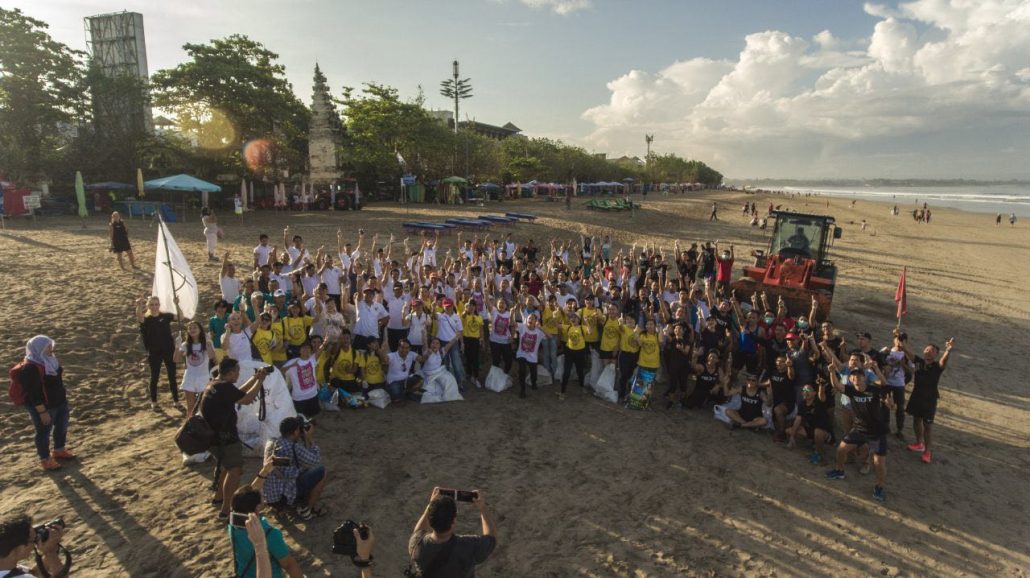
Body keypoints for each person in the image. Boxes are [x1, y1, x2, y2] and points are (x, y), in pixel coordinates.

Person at [203, 358, 268, 519]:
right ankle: (226, 511)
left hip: (214, 436)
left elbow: (237, 393)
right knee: (235, 471)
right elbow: (246, 399)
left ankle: (218, 498)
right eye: (237, 371)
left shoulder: (214, 384)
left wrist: (254, 378)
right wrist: (260, 381)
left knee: (226, 466)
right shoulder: (224, 388)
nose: (239, 374)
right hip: (226, 438)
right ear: (231, 372)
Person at [825, 356, 892, 502]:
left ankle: (879, 487)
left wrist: (875, 368)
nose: (856, 378)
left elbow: (884, 383)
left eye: (859, 376)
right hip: (859, 429)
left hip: (877, 432)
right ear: (850, 379)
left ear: (864, 378)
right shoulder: (850, 390)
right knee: (841, 449)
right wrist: (831, 372)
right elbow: (837, 386)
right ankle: (840, 471)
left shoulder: (873, 389)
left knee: (879, 463)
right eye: (853, 376)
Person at [228, 458, 304, 578]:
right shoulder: (269, 534)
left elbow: (247, 497)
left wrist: (265, 471)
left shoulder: (233, 524)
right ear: (258, 507)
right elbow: (289, 564)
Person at [408, 487, 497, 577]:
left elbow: (418, 532)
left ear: (430, 520)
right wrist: (483, 508)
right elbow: (491, 539)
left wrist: (430, 506)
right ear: (454, 520)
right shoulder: (469, 546)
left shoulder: (416, 544)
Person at [17, 336, 76, 471]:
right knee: (43, 432)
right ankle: (45, 459)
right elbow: (33, 394)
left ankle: (59, 450)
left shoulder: (50, 360)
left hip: (59, 402)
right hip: (43, 406)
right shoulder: (29, 368)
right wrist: (42, 412)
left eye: (51, 346)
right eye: (48, 347)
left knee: (62, 427)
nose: (51, 349)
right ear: (38, 349)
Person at [263, 416, 326, 520]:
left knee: (300, 471)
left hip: (270, 497)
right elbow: (315, 459)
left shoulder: (271, 442)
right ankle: (307, 510)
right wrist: (310, 439)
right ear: (296, 431)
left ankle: (284, 507)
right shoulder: (294, 448)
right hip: (285, 494)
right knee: (321, 471)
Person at [906, 338, 954, 464]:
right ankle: (918, 443)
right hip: (916, 396)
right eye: (927, 349)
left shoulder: (937, 366)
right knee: (916, 420)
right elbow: (906, 350)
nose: (928, 352)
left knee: (927, 426)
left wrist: (948, 350)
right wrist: (898, 337)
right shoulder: (918, 361)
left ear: (936, 355)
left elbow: (944, 361)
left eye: (932, 351)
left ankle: (927, 451)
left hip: (929, 399)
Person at [135, 295, 180, 411]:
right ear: (148, 306)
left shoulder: (165, 316)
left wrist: (176, 304)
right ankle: (154, 402)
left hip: (168, 350)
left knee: (172, 376)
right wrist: (139, 305)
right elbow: (139, 316)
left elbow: (180, 317)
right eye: (152, 304)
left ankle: (176, 401)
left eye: (156, 304)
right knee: (154, 377)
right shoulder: (146, 319)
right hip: (154, 352)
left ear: (159, 305)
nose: (154, 307)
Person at [0, 513, 69, 577]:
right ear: (21, 548)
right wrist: (51, 553)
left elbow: (34, 574)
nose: (35, 543)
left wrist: (50, 552)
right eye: (34, 539)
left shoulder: (6, 566)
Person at [515, 313, 545, 398]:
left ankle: (534, 383)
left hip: (532, 357)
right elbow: (512, 323)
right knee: (522, 370)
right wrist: (513, 312)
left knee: (534, 373)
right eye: (529, 318)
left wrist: (540, 327)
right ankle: (522, 390)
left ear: (536, 321)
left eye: (532, 319)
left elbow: (549, 336)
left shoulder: (538, 331)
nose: (530, 320)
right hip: (521, 353)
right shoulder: (522, 327)